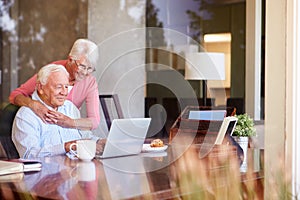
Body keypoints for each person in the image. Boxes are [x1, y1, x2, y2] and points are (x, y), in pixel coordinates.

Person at [12, 64, 105, 159]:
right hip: (47, 172)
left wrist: (100, 142)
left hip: (75, 170)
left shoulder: (70, 108)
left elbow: (85, 137)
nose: (64, 93)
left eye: (66, 87)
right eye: (58, 87)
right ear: (40, 88)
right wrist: (67, 147)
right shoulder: (26, 115)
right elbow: (29, 155)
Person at [9, 38, 100, 130]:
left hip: (67, 131)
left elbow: (94, 121)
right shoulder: (52, 72)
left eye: (90, 68)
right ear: (70, 59)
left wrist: (70, 122)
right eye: (82, 66)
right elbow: (15, 95)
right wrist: (34, 105)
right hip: (43, 127)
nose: (85, 72)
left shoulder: (90, 82)